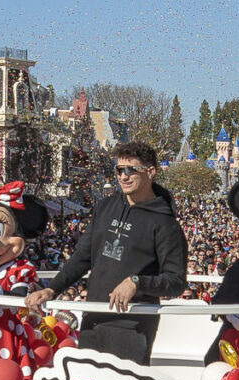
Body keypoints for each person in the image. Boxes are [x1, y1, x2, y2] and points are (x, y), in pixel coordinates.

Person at [51, 142, 187, 364]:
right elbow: (81, 258)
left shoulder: (165, 224)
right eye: (119, 170)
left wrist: (137, 282)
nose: (123, 176)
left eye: (131, 170)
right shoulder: (106, 206)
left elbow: (176, 281)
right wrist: (51, 289)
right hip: (93, 317)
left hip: (133, 324)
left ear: (150, 172)